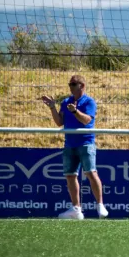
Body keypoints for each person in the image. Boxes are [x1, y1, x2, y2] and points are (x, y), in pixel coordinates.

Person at [41, 75, 108, 220]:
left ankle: (100, 205)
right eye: (69, 84)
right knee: (70, 176)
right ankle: (76, 209)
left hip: (86, 143)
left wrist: (75, 111)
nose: (70, 87)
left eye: (73, 84)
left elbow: (86, 120)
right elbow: (59, 122)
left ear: (82, 85)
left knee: (91, 173)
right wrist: (52, 107)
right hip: (69, 144)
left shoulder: (89, 102)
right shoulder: (66, 102)